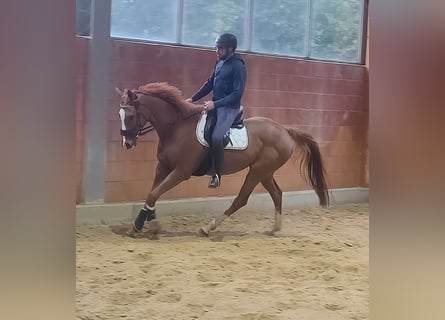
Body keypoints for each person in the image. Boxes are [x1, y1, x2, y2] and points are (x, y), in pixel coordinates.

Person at [186, 33, 247, 188]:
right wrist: (192, 99)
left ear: (230, 49)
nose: (217, 51)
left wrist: (216, 104)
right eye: (217, 47)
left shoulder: (238, 66)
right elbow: (209, 83)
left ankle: (217, 175)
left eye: (220, 48)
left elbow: (237, 94)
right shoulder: (220, 63)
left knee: (217, 137)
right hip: (216, 105)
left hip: (229, 109)